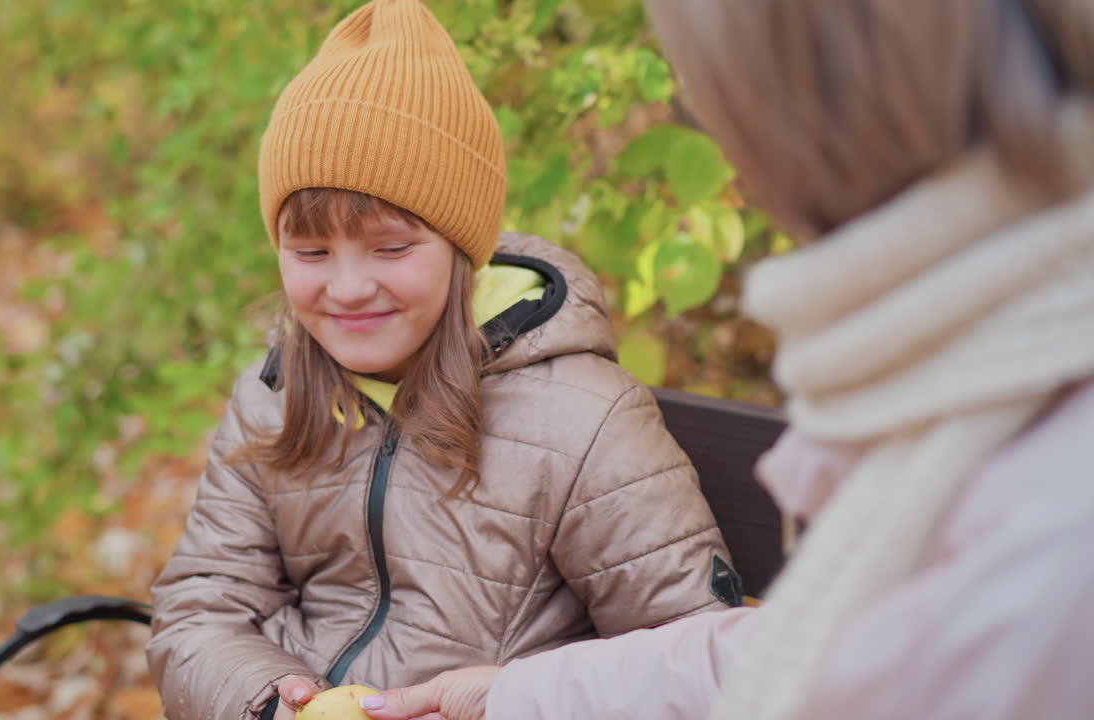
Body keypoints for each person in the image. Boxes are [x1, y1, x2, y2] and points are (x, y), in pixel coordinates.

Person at [357, 1, 1094, 719]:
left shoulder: (1047, 536)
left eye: (391, 246)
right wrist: (510, 698)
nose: (350, 284)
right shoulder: (978, 395)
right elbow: (812, 653)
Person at [144, 2, 740, 719]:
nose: (349, 286)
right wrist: (272, 703)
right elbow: (200, 609)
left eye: (391, 248)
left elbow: (690, 666)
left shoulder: (582, 419)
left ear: (463, 250)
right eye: (310, 252)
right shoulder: (273, 395)